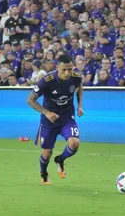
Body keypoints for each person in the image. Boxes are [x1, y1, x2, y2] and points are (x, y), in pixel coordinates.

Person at [26, 54, 83, 185]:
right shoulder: (47, 80)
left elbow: (80, 88)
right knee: (47, 152)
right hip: (49, 121)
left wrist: (80, 105)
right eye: (64, 70)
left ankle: (60, 159)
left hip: (67, 117)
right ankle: (44, 173)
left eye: (70, 69)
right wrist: (46, 112)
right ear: (57, 67)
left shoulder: (76, 77)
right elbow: (30, 100)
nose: (67, 73)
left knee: (74, 143)